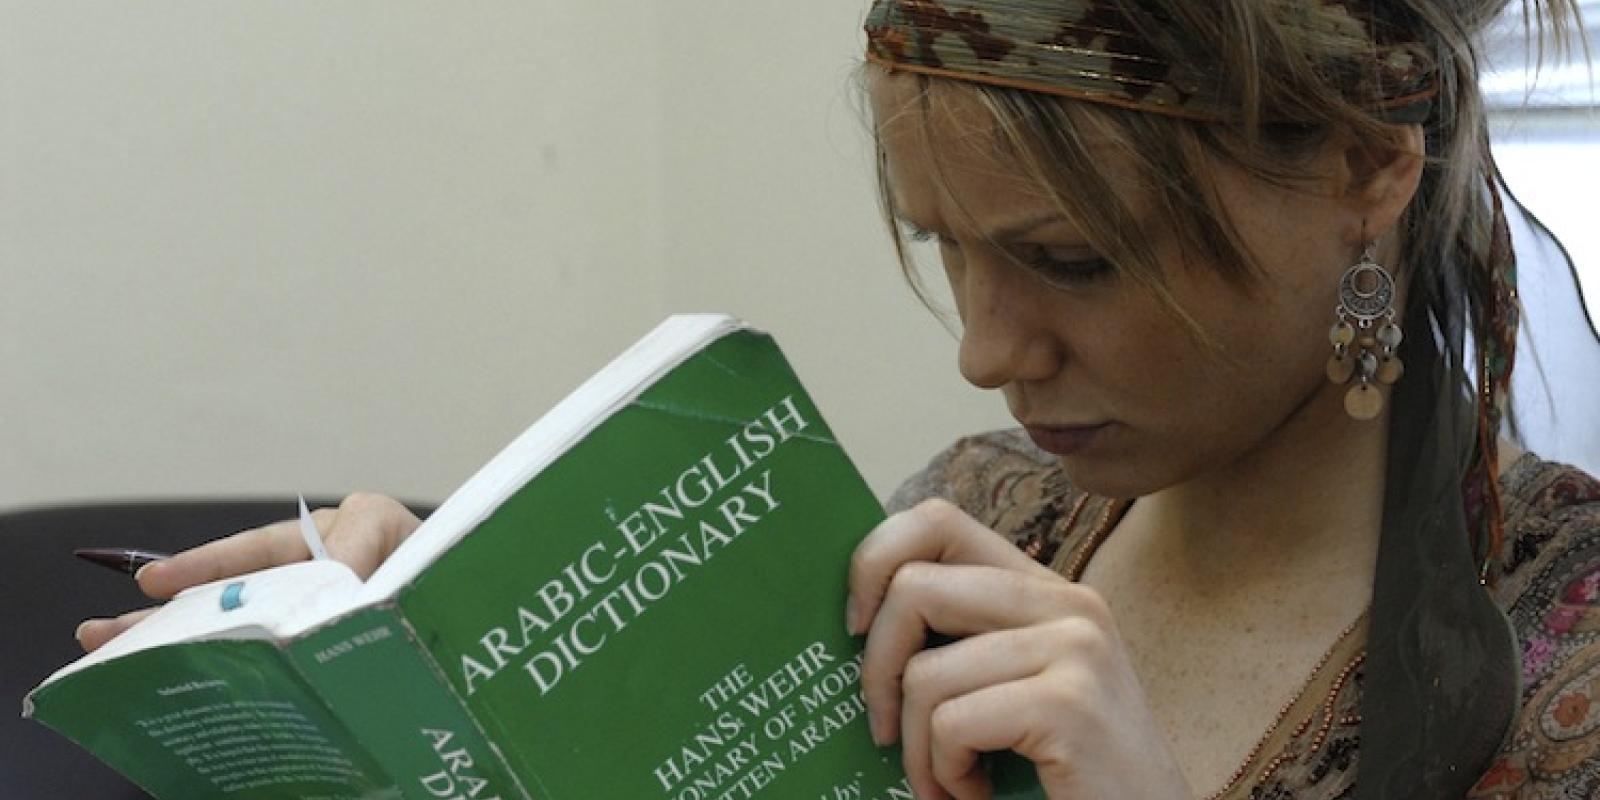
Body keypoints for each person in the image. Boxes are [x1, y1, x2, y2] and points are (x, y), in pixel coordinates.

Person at [76, 0, 1600, 797]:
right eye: (949, 250)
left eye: (1070, 260)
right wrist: (446, 710)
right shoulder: (975, 511)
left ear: (1363, 174)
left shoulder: (1567, 638)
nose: (989, 356)